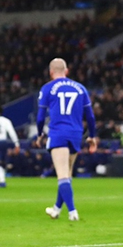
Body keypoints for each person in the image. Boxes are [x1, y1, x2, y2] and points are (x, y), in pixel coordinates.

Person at [36, 58, 97, 221]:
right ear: (67, 71)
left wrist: (39, 133)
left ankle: (72, 212)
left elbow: (41, 117)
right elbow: (90, 116)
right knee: (67, 173)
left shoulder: (47, 88)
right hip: (76, 134)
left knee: (62, 174)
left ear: (50, 73)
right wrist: (92, 135)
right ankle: (56, 209)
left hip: (58, 133)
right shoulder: (80, 88)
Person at [0, 106, 20, 188]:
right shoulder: (6, 121)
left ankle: (2, 180)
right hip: (3, 142)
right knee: (2, 162)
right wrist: (17, 144)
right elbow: (12, 132)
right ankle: (2, 180)